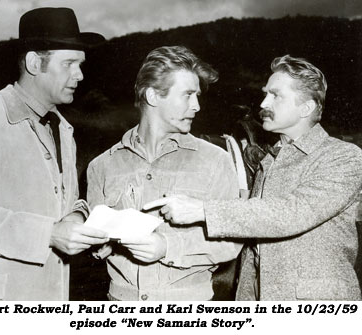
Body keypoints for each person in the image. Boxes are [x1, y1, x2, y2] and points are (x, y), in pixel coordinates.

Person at [144, 55, 362, 300]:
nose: (263, 102)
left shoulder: (344, 157)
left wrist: (202, 210)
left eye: (275, 95)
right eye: (265, 93)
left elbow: (293, 213)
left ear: (306, 107)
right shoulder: (269, 162)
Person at [0, 7, 109, 300]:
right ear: (33, 63)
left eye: (80, 65)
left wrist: (81, 220)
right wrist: (49, 234)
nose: (79, 75)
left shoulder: (64, 129)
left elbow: (65, 204)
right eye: (69, 63)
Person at [87, 46, 242, 301]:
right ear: (152, 96)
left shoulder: (216, 161)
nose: (197, 106)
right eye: (188, 95)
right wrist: (101, 245)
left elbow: (231, 242)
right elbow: (98, 238)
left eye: (198, 95)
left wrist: (168, 247)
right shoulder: (102, 166)